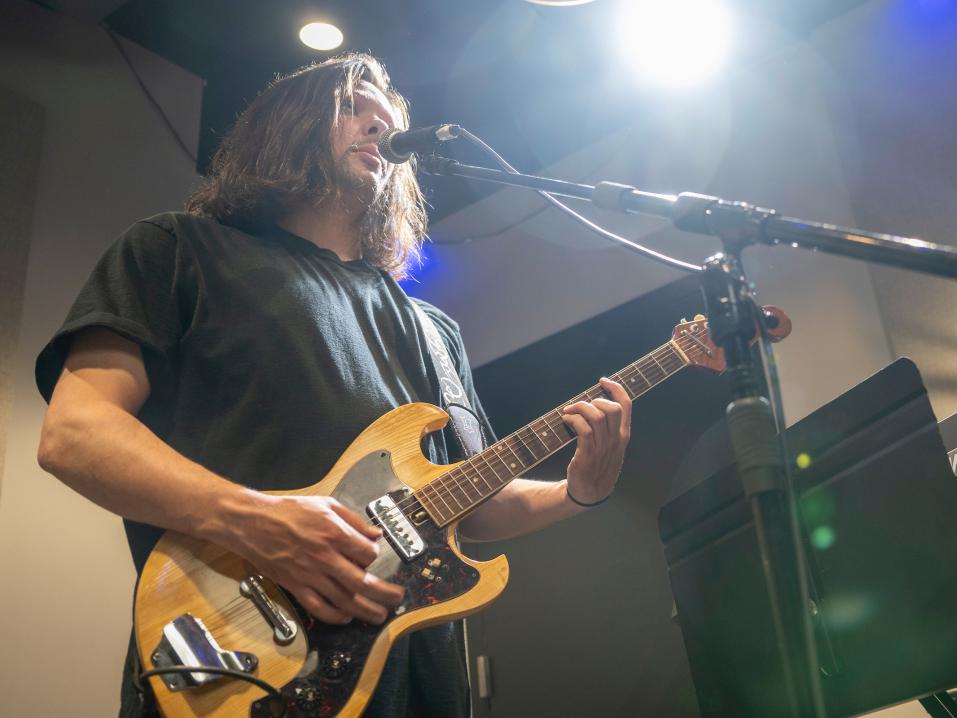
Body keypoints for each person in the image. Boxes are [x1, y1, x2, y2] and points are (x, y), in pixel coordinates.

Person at [35, 52, 632, 717]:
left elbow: (465, 502)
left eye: (390, 119)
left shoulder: (433, 330)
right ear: (287, 125)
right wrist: (255, 520)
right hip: (239, 662)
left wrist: (577, 492)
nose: (380, 126)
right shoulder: (178, 250)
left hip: (413, 686)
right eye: (353, 107)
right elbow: (76, 434)